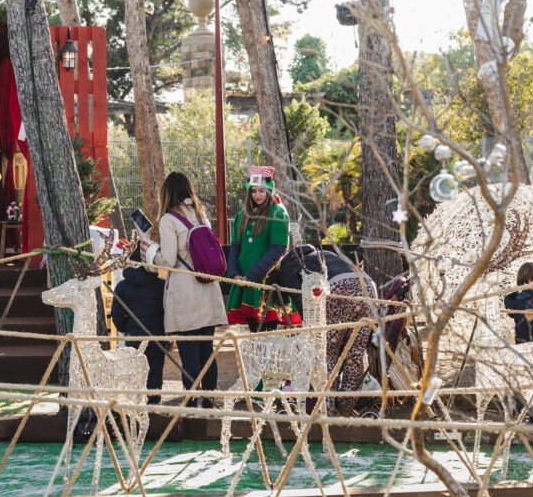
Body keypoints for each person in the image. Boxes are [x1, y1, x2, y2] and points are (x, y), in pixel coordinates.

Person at [140, 172, 226, 407]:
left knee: (189, 352)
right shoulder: (201, 215)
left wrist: (148, 249)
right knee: (206, 350)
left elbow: (168, 260)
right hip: (209, 289)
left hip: (186, 293)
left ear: (167, 193)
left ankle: (191, 405)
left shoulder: (169, 219)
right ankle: (208, 404)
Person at [266, 244, 379, 415]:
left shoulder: (287, 268)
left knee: (328, 354)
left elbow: (302, 301)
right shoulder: (324, 253)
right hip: (368, 287)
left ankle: (329, 408)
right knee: (355, 355)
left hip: (338, 290)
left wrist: (312, 332)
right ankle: (347, 408)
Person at [226, 166, 297, 331]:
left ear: (270, 191)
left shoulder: (277, 212)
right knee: (254, 331)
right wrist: (235, 274)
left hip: (265, 282)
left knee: (266, 333)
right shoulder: (242, 215)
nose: (257, 195)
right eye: (253, 191)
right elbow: (235, 247)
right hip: (243, 281)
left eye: (262, 191)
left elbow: (278, 250)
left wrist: (251, 276)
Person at [111, 247, 168, 405]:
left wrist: (123, 329)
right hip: (157, 334)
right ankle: (153, 402)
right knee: (155, 370)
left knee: (135, 370)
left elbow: (116, 314)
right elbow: (168, 312)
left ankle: (136, 402)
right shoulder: (161, 285)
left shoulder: (122, 286)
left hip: (134, 335)